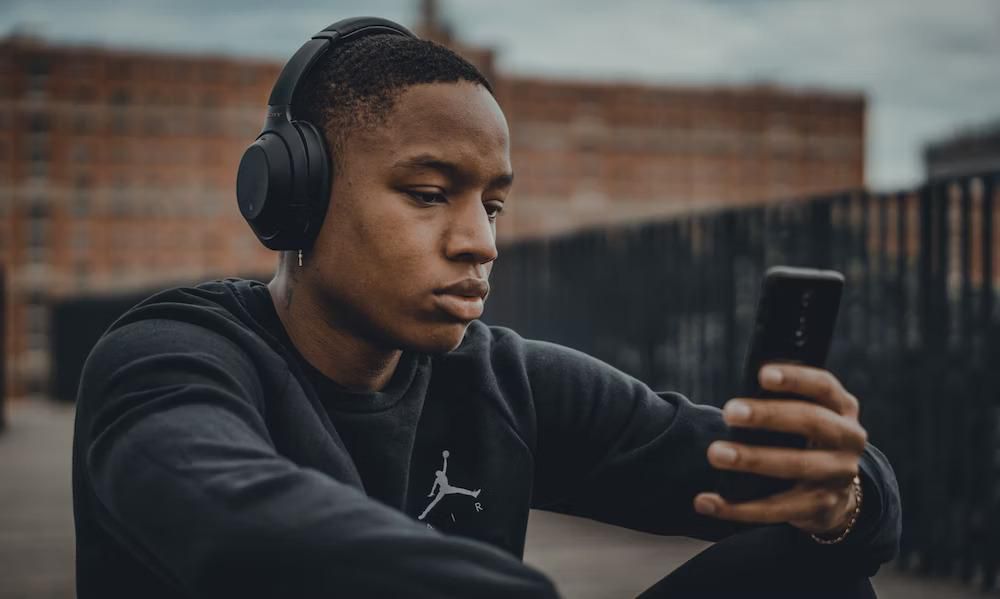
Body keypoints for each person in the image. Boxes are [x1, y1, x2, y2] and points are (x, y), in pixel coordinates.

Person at [72, 18, 901, 599]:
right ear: (296, 198)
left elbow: (761, 475)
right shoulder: (170, 356)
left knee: (808, 575)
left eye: (493, 205)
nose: (480, 242)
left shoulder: (501, 380)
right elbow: (235, 523)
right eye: (430, 194)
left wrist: (838, 497)